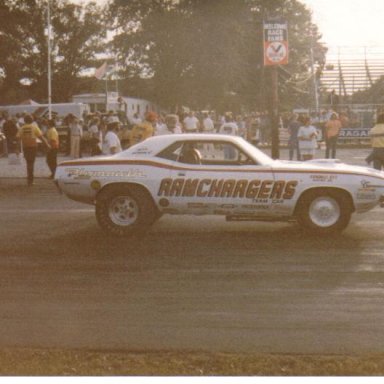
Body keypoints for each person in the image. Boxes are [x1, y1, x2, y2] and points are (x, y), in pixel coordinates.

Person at [17, 114, 50, 186]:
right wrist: (47, 144)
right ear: (31, 120)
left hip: (25, 147)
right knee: (31, 163)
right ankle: (30, 180)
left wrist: (18, 148)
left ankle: (29, 179)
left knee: (28, 163)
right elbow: (41, 137)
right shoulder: (34, 127)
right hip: (33, 146)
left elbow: (18, 139)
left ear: (25, 120)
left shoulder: (21, 128)